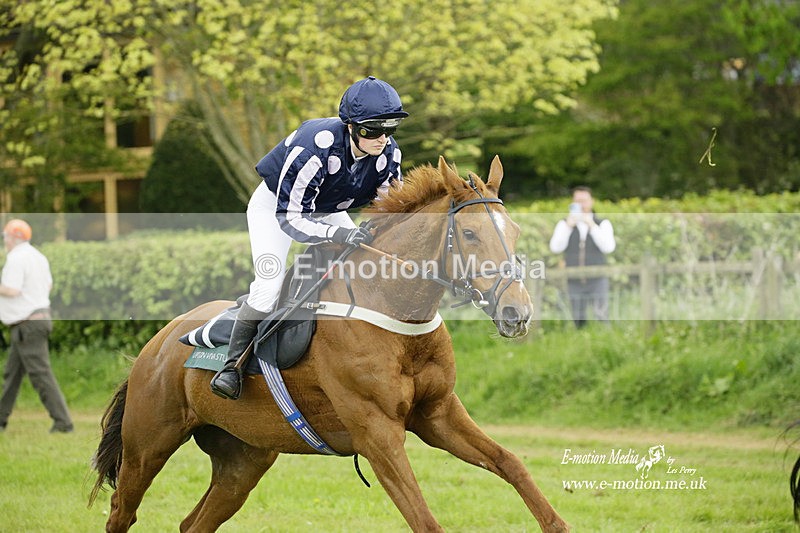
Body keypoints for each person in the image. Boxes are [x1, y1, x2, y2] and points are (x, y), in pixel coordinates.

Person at [210, 76, 408, 399]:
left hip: (326, 206)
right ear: (351, 127)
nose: (381, 139)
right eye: (372, 130)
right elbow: (291, 218)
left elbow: (391, 209)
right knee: (269, 287)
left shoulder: (389, 155)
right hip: (276, 208)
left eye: (389, 130)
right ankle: (232, 367)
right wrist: (340, 232)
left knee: (366, 263)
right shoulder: (315, 146)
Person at [0, 219, 73, 433]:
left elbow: (12, 289)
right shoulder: (38, 256)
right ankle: (1, 419)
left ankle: (63, 423)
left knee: (41, 375)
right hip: (35, 321)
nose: (5, 241)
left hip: (28, 325)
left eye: (5, 237)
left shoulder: (15, 258)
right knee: (11, 375)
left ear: (13, 238)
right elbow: (47, 285)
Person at [549, 186, 616, 328]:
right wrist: (568, 226)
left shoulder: (602, 223)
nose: (581, 205)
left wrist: (591, 225)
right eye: (578, 201)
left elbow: (608, 247)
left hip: (598, 278)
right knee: (578, 318)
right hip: (574, 279)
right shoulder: (564, 224)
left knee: (602, 315)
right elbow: (555, 248)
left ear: (592, 201)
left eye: (584, 201)